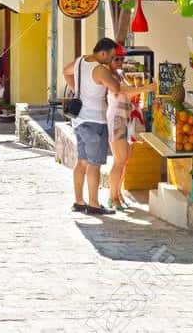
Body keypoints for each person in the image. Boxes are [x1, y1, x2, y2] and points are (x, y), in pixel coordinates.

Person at [63, 37, 122, 215]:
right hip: (95, 120)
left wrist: (77, 90)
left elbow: (66, 71)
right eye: (111, 57)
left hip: (79, 119)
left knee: (82, 162)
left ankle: (79, 201)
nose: (112, 60)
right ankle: (94, 204)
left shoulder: (80, 60)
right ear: (103, 53)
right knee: (94, 165)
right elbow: (116, 88)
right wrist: (112, 72)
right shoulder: (100, 70)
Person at [105, 45, 155, 211]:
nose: (120, 61)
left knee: (124, 160)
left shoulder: (119, 74)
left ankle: (118, 194)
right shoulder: (110, 76)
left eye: (121, 58)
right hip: (117, 120)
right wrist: (148, 87)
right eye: (116, 58)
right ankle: (112, 197)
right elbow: (125, 92)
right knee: (119, 161)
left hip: (124, 118)